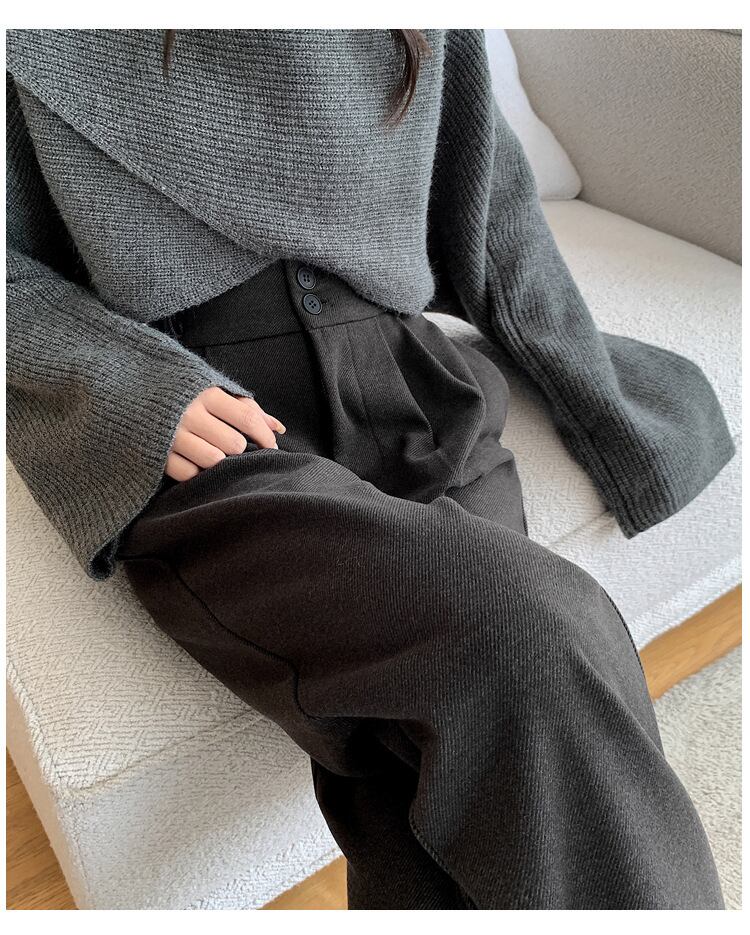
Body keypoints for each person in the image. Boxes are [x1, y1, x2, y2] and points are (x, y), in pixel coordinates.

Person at [6, 28, 733, 910]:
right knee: (536, 635)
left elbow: (493, 213)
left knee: (431, 766)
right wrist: (128, 389)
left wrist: (600, 401)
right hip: (215, 424)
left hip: (416, 390)